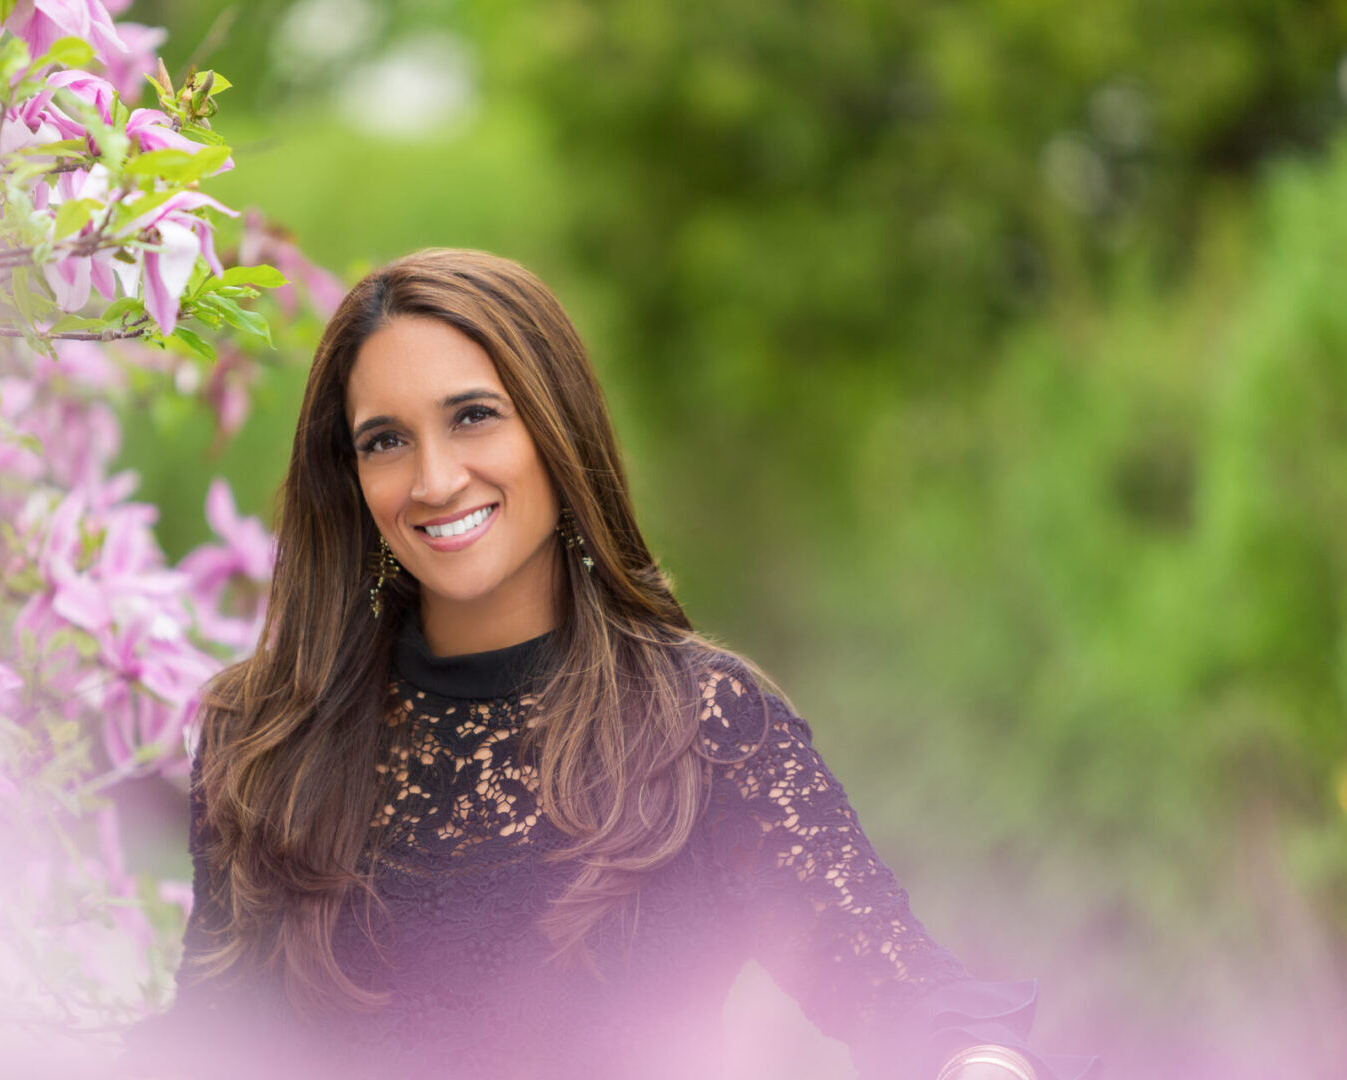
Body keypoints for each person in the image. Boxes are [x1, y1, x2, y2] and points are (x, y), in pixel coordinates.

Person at [138, 249, 1098, 1080]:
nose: (433, 480)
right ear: (350, 480)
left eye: (473, 417)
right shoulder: (265, 741)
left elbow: (899, 988)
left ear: (558, 431)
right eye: (385, 441)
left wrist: (978, 1063)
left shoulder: (703, 726)